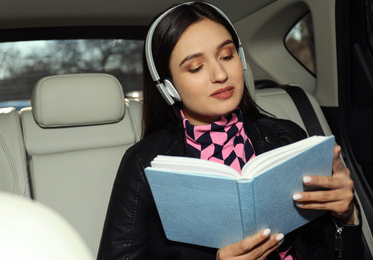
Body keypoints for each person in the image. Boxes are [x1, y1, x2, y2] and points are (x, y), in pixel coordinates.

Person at [97, 2, 363, 259]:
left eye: (226, 55)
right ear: (168, 88)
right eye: (196, 67)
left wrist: (346, 216)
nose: (220, 74)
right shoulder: (144, 164)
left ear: (241, 59)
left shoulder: (287, 137)